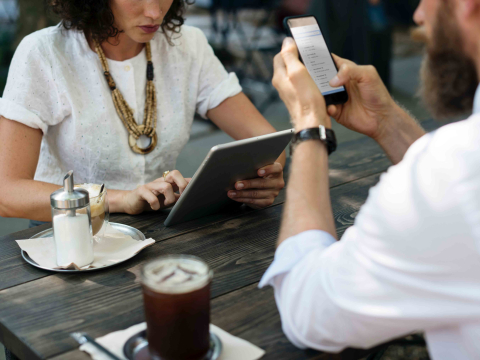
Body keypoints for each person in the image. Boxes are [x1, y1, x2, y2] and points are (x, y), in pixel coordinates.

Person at [259, 0, 480, 358]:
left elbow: (310, 311)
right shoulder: (456, 169)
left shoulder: (456, 173)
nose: (419, 15)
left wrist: (309, 126)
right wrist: (387, 121)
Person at [0, 0, 285, 224]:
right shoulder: (45, 53)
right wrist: (121, 200)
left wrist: (262, 179)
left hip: (159, 231)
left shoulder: (187, 45)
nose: (154, 12)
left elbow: (269, 143)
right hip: (69, 236)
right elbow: (7, 193)